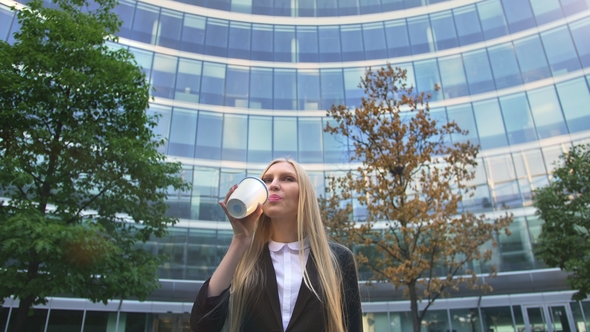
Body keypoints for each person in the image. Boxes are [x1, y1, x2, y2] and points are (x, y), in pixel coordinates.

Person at [190, 158, 363, 332]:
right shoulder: (244, 257)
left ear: (305, 194)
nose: (273, 185)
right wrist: (240, 240)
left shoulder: (338, 258)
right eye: (267, 180)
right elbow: (202, 326)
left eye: (287, 178)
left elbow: (353, 326)